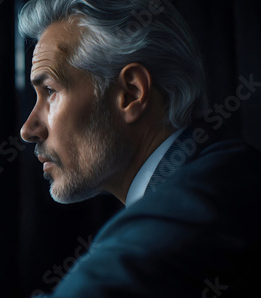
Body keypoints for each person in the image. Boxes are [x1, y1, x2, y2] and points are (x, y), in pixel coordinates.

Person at [18, 0, 261, 297]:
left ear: (131, 94)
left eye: (50, 92)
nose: (28, 130)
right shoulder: (215, 171)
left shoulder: (204, 200)